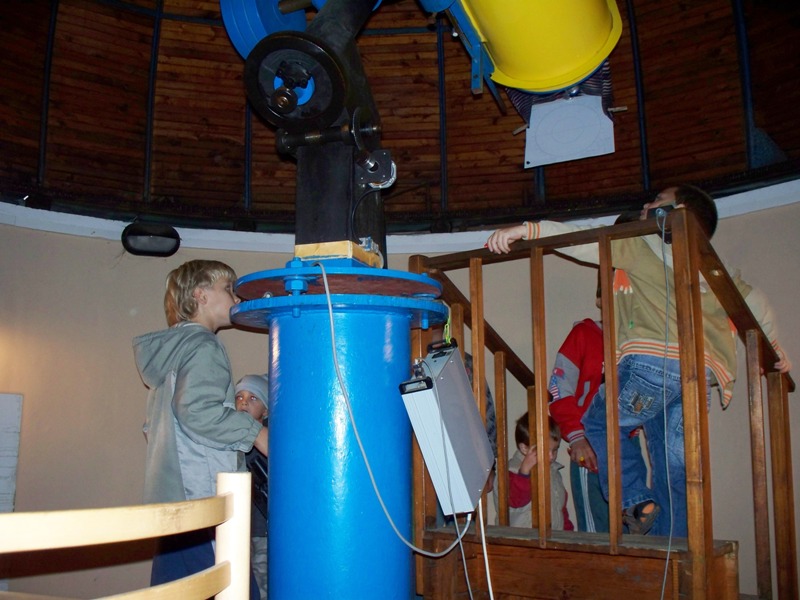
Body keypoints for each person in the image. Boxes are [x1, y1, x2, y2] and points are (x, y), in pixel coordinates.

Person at [487, 185, 791, 536]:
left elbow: (583, 238)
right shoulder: (714, 270)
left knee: (599, 424)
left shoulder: (642, 243)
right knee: (672, 465)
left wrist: (527, 229)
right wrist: (773, 351)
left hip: (653, 363)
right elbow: (756, 304)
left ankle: (634, 500)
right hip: (699, 374)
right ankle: (676, 545)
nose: (647, 203)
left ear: (673, 213)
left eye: (657, 201)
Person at [133, 259, 267, 593]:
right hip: (200, 495)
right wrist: (257, 433)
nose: (236, 298)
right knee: (232, 587)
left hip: (172, 500)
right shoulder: (203, 345)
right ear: (200, 295)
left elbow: (156, 426)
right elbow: (196, 411)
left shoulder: (174, 349)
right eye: (228, 289)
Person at [235, 374, 270, 600]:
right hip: (242, 528)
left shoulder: (269, 437)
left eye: (253, 398)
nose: (244, 402)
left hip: (262, 528)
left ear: (265, 411)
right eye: (239, 397)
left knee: (263, 581)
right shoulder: (232, 436)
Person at [507, 412, 574, 531]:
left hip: (552, 536)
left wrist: (567, 533)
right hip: (522, 538)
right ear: (524, 448)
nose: (551, 456)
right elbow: (515, 500)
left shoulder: (553, 472)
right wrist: (524, 472)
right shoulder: (512, 470)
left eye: (555, 450)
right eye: (545, 450)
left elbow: (560, 507)